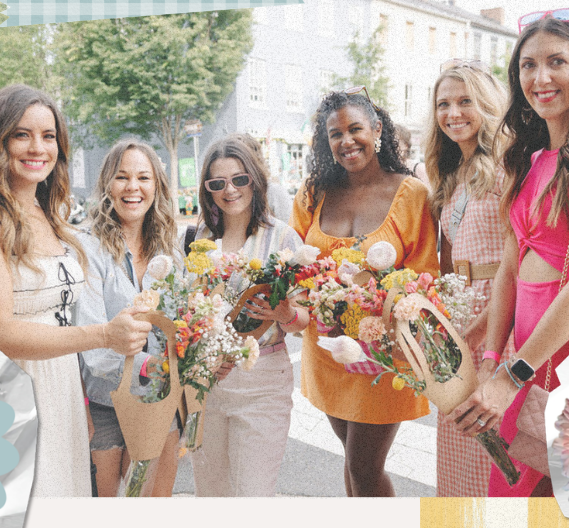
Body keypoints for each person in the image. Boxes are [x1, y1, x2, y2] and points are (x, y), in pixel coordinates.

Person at [453, 11, 569, 498]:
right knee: (513, 492)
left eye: (557, 62)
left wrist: (508, 378)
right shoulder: (530, 157)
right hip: (524, 355)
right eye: (528, 65)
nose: (541, 78)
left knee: (568, 497)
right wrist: (492, 357)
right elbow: (510, 270)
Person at [0, 85, 150, 498]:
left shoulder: (49, 215)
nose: (38, 147)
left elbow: (60, 319)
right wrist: (104, 335)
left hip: (61, 396)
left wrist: (82, 403)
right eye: (22, 134)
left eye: (48, 136)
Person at [290, 88, 440, 497]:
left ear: (376, 130)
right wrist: (310, 296)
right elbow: (293, 261)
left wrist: (378, 301)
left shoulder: (412, 194)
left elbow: (425, 273)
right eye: (335, 134)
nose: (346, 141)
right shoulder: (313, 193)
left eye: (355, 129)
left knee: (363, 466)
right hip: (327, 351)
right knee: (353, 461)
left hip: (382, 351)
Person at [190, 135, 309, 497]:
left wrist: (285, 313)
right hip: (207, 382)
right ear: (207, 189)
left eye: (239, 179)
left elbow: (304, 319)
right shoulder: (198, 238)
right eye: (217, 183)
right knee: (211, 495)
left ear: (254, 180)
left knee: (252, 497)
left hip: (263, 382)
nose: (230, 190)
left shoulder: (283, 238)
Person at [75, 139, 182, 497]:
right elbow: (94, 349)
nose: (133, 187)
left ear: (157, 186)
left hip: (160, 402)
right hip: (105, 405)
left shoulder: (169, 248)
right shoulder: (86, 248)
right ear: (107, 184)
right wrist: (159, 367)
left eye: (143, 178)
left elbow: (182, 323)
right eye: (122, 177)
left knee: (154, 506)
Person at [424, 61, 511, 496]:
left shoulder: (507, 166)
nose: (453, 113)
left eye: (465, 101)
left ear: (487, 105)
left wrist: (477, 334)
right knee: (458, 444)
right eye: (443, 104)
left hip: (499, 317)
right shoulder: (450, 174)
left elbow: (521, 262)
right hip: (460, 314)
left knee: (494, 441)